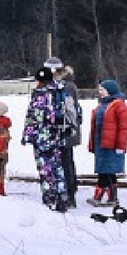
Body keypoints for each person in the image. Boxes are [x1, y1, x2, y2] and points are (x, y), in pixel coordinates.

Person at [21, 67, 71, 212]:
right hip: (57, 136)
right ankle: (62, 196)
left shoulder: (40, 95)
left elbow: (34, 118)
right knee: (58, 167)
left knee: (45, 169)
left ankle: (50, 198)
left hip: (42, 138)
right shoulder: (60, 91)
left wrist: (27, 135)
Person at [87, 80, 127, 206]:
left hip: (112, 145)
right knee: (103, 170)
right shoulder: (102, 105)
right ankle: (107, 196)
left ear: (110, 91)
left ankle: (105, 196)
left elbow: (124, 128)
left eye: (103, 90)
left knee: (108, 171)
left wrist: (121, 146)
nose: (100, 92)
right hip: (101, 143)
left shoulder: (119, 105)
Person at [51, 64, 82, 207]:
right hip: (69, 129)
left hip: (66, 129)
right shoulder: (69, 85)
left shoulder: (66, 87)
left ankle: (69, 193)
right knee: (67, 160)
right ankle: (70, 189)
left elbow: (69, 110)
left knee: (65, 162)